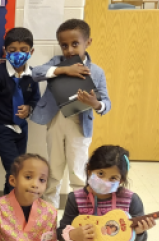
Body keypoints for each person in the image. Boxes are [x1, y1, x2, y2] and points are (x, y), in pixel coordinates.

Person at [31, 19, 112, 208]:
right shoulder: (57, 63)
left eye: (75, 44)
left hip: (79, 126)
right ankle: (49, 213)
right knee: (54, 171)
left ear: (88, 42)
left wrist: (96, 103)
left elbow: (107, 103)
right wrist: (63, 69)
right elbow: (36, 73)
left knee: (78, 172)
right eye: (64, 45)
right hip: (56, 122)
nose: (69, 50)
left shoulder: (97, 72)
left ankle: (79, 214)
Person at [0, 28, 41, 195]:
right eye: (12, 50)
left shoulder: (32, 75)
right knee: (15, 170)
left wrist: (29, 108)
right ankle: (12, 206)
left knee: (18, 170)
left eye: (23, 50)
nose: (18, 54)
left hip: (22, 129)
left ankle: (9, 203)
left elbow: (36, 99)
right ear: (5, 51)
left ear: (31, 51)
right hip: (1, 128)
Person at [58, 146, 155, 241]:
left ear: (121, 180)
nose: (104, 181)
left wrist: (139, 233)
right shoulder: (75, 198)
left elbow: (141, 238)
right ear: (89, 170)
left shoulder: (131, 200)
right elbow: (60, 232)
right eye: (100, 173)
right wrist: (72, 235)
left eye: (113, 178)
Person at [0, 154, 57, 241]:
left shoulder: (50, 212)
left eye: (42, 180)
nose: (35, 184)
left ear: (46, 185)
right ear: (13, 180)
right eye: (28, 177)